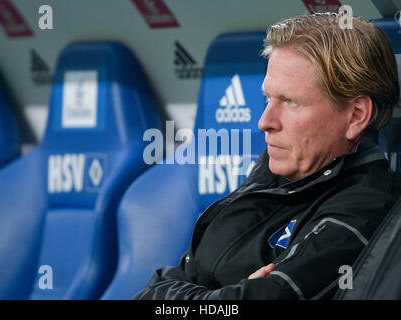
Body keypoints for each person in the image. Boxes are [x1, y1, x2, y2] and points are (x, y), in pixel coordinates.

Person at [133, 13, 401, 300]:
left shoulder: (361, 210)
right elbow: (157, 288)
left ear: (356, 115)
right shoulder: (274, 171)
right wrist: (219, 297)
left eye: (291, 102)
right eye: (268, 98)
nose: (264, 121)